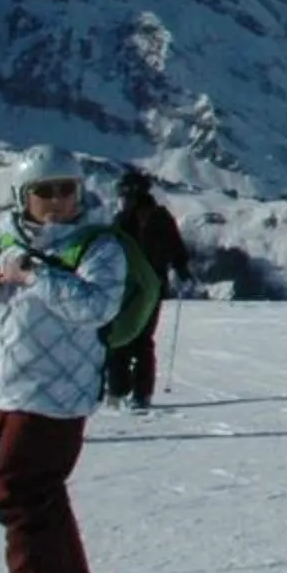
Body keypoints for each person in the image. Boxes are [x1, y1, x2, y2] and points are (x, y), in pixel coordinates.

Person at [0, 148, 133, 573]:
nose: (58, 201)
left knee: (15, 489)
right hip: (7, 386)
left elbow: (96, 306)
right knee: (41, 491)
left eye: (67, 189)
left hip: (57, 392)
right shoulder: (4, 238)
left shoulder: (98, 246)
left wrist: (36, 275)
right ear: (23, 197)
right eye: (45, 191)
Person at [104, 169, 190, 410]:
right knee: (140, 340)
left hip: (129, 287)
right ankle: (138, 394)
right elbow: (177, 249)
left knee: (122, 336)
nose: (122, 199)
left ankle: (119, 391)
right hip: (151, 287)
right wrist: (181, 268)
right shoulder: (160, 218)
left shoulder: (122, 221)